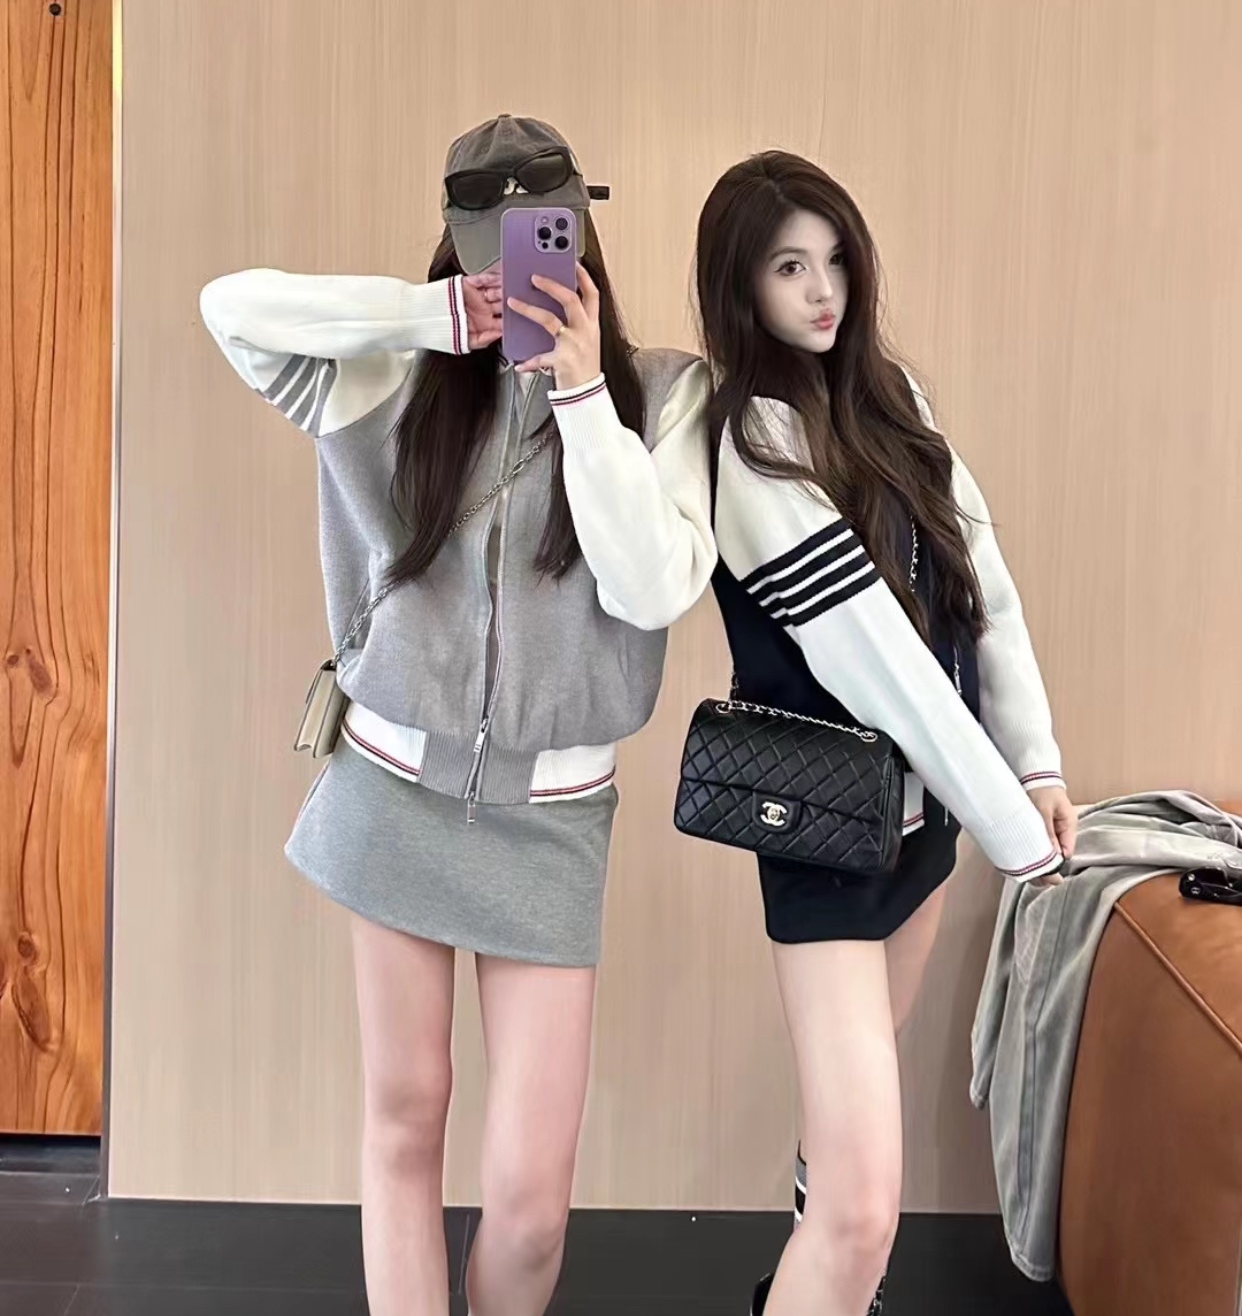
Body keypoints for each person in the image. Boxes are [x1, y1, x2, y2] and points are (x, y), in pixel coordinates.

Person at [200, 115, 714, 1316]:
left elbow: (651, 589)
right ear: (455, 241)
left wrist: (582, 396)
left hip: (554, 819)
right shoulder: (388, 372)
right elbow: (231, 308)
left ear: (582, 232)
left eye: (547, 236)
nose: (523, 267)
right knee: (406, 1114)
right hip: (391, 790)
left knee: (532, 1205)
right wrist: (424, 319)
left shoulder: (666, 397)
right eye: (494, 244)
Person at [692, 152, 1077, 1316]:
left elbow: (980, 586)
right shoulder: (748, 444)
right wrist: (1020, 834)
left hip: (925, 825)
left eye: (835, 261)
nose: (822, 291)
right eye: (788, 268)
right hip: (824, 832)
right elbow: (882, 665)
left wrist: (1035, 764)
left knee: (840, 1157)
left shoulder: (891, 402)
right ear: (740, 286)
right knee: (864, 1212)